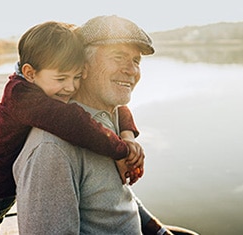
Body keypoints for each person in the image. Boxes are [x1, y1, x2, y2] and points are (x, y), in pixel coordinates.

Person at [0, 21, 144, 235]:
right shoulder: (21, 96)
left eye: (76, 77)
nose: (71, 87)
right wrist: (120, 150)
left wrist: (127, 135)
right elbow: (73, 122)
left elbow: (117, 105)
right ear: (29, 73)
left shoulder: (49, 84)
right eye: (62, 78)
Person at [13, 15, 199, 235]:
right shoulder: (52, 149)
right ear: (83, 66)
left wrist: (157, 230)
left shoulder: (106, 119)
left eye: (136, 61)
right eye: (119, 57)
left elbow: (112, 200)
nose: (131, 70)